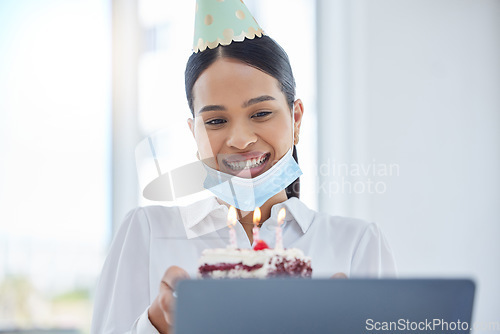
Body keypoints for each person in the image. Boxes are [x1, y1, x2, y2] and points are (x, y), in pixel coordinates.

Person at [91, 1, 396, 333]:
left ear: (295, 119)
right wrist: (156, 325)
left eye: (261, 113)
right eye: (217, 120)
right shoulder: (147, 233)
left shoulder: (357, 244)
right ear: (195, 134)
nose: (239, 139)